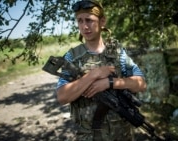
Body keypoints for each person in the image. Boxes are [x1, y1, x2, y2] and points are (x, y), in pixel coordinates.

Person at [56, 0, 147, 140]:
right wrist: (93, 75)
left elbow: (141, 84)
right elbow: (62, 97)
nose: (84, 26)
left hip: (122, 135)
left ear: (102, 21)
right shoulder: (72, 57)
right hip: (89, 136)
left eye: (89, 20)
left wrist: (110, 82)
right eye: (80, 21)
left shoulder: (118, 53)